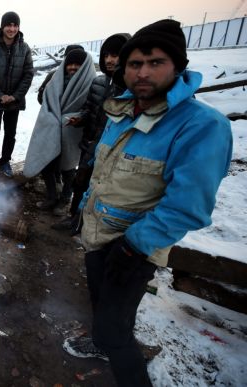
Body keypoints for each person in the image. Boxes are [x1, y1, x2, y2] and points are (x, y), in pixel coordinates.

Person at [65, 20, 232, 387]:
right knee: (100, 304)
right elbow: (110, 170)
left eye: (155, 62)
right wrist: (85, 187)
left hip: (132, 249)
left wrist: (132, 247)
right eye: (134, 64)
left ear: (178, 66)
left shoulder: (201, 125)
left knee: (116, 331)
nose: (142, 72)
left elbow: (188, 206)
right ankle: (100, 343)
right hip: (97, 233)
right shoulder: (123, 109)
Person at [52, 33, 130, 232]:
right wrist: (80, 119)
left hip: (113, 150)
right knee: (81, 183)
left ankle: (93, 224)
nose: (110, 60)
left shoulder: (130, 88)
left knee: (102, 189)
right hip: (90, 143)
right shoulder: (99, 83)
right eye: (106, 55)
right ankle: (74, 219)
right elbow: (89, 109)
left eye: (116, 55)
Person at [23, 49, 96, 215]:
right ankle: (51, 197)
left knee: (68, 169)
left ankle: (64, 200)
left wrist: (76, 117)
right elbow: (44, 99)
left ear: (84, 65)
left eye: (77, 64)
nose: (72, 67)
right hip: (51, 128)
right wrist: (51, 114)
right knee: (47, 165)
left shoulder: (91, 82)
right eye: (70, 63)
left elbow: (91, 109)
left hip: (72, 132)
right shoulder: (56, 78)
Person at [0, 11, 34, 177]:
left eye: (15, 25)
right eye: (8, 25)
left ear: (18, 27)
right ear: (2, 26)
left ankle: (5, 161)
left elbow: (28, 73)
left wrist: (15, 96)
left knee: (10, 133)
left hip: (14, 101)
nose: (11, 29)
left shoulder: (24, 48)